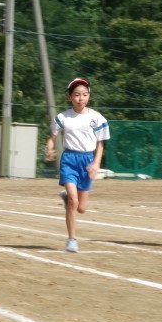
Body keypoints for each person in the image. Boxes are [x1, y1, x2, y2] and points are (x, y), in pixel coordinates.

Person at [45, 78, 110, 253]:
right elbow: (51, 138)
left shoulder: (97, 118)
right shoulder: (62, 117)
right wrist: (49, 150)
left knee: (81, 208)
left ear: (89, 96)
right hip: (69, 160)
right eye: (76, 95)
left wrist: (96, 163)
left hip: (87, 161)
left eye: (84, 95)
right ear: (69, 97)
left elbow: (101, 144)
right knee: (74, 202)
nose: (81, 98)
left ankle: (67, 198)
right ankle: (72, 240)